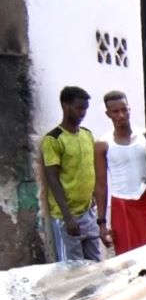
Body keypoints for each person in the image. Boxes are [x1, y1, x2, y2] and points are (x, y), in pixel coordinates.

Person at [41, 86, 101, 262]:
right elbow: (52, 178)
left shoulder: (87, 134)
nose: (83, 113)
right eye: (79, 108)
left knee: (95, 264)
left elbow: (91, 169)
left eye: (85, 109)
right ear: (65, 106)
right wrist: (68, 217)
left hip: (88, 212)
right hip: (66, 216)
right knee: (72, 271)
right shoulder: (54, 139)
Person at [94, 90, 146, 255]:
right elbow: (101, 185)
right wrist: (102, 223)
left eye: (124, 109)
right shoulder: (103, 144)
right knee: (128, 258)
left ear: (129, 109)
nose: (121, 115)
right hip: (122, 205)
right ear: (108, 114)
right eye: (115, 111)